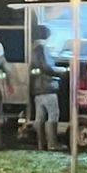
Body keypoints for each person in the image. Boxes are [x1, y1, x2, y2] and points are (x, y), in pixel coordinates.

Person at [27, 24, 63, 152]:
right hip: (47, 87)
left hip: (37, 90)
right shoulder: (42, 48)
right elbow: (46, 67)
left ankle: (41, 144)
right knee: (53, 114)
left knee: (40, 118)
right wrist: (60, 72)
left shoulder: (33, 49)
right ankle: (53, 144)